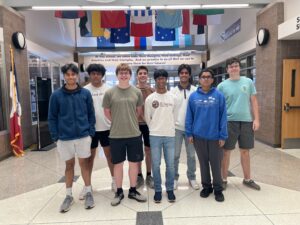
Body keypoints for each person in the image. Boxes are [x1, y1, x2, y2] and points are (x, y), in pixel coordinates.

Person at [48, 63, 95, 213]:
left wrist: (90, 132)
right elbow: (52, 118)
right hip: (64, 138)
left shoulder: (85, 94)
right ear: (64, 76)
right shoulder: (56, 95)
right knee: (69, 166)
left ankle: (88, 192)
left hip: (83, 136)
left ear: (77, 76)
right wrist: (56, 136)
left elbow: (91, 114)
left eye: (73, 74)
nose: (71, 77)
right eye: (68, 74)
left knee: (84, 164)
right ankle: (68, 196)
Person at [102, 63, 147, 206]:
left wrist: (129, 121)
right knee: (118, 164)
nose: (123, 75)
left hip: (134, 133)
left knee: (134, 163)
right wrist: (118, 121)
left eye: (126, 72)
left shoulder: (136, 92)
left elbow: (138, 111)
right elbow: (107, 112)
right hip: (116, 135)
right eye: (121, 72)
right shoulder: (110, 93)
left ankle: (133, 190)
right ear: (117, 75)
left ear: (130, 75)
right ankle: (119, 191)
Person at [217, 57, 261, 191]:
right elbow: (218, 107)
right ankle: (223, 179)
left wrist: (256, 119)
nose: (234, 68)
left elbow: (253, 101)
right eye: (231, 66)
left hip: (246, 122)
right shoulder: (222, 86)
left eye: (236, 65)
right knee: (226, 152)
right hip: (229, 122)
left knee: (245, 151)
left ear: (239, 68)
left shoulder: (248, 82)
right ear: (227, 69)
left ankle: (247, 179)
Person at [186, 69, 227, 202]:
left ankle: (218, 189)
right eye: (203, 77)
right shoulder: (193, 97)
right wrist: (189, 133)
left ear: (212, 79)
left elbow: (223, 117)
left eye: (208, 77)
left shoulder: (219, 96)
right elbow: (189, 116)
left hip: (215, 137)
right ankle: (206, 186)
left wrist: (222, 135)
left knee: (216, 163)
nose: (206, 79)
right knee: (203, 163)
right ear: (199, 79)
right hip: (198, 136)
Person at [82, 64, 115, 200]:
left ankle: (114, 181)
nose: (96, 76)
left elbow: (114, 108)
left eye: (98, 73)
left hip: (107, 128)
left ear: (102, 75)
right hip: (90, 130)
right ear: (89, 75)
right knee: (89, 159)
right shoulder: (84, 90)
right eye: (93, 73)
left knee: (110, 157)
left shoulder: (109, 89)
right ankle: (87, 186)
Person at [144, 69, 176, 203]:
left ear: (166, 80)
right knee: (155, 164)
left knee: (170, 165)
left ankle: (169, 189)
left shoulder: (172, 97)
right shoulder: (150, 98)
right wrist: (153, 128)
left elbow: (175, 114)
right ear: (155, 80)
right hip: (155, 135)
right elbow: (147, 117)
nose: (161, 81)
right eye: (158, 78)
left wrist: (170, 126)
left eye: (163, 78)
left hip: (170, 135)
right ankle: (157, 189)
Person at [171, 64, 199, 190]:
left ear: (189, 75)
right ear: (179, 75)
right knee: (175, 155)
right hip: (176, 128)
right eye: (181, 73)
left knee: (191, 155)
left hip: (191, 130)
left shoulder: (195, 90)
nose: (183, 75)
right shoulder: (172, 91)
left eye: (186, 73)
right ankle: (174, 178)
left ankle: (192, 177)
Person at [135, 66, 154, 189]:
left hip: (148, 125)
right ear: (137, 76)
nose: (142, 75)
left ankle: (148, 175)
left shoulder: (152, 90)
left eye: (144, 73)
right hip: (135, 125)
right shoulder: (132, 90)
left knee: (148, 150)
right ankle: (139, 175)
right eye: (140, 73)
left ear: (147, 76)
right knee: (137, 152)